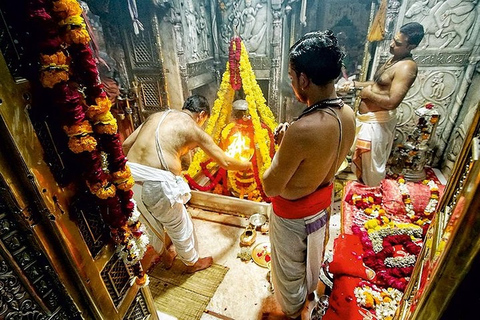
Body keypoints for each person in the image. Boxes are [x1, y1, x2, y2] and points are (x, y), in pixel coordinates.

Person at [263, 30, 356, 319]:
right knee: (311, 260)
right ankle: (307, 293)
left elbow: (270, 185)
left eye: (292, 78)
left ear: (304, 79)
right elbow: (319, 159)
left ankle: (292, 312)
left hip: (293, 216)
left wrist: (282, 146)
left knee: (290, 271)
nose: (293, 85)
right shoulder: (348, 114)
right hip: (321, 204)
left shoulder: (304, 129)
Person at [123, 95, 251, 273]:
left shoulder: (155, 116)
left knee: (148, 222)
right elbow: (225, 162)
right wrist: (248, 164)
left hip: (130, 176)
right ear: (201, 115)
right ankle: (192, 263)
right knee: (180, 224)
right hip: (156, 183)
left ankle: (166, 257)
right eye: (203, 121)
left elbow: (126, 144)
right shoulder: (192, 128)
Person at [343, 22, 424, 187]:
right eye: (394, 40)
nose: (392, 45)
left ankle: (371, 198)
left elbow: (392, 102)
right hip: (367, 120)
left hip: (377, 123)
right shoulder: (394, 58)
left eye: (398, 44)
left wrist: (367, 94)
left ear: (412, 46)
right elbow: (376, 84)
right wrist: (354, 85)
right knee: (361, 164)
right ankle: (361, 194)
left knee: (371, 168)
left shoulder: (407, 67)